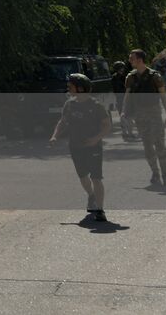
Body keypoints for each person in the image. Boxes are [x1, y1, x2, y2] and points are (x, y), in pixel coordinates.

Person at [51, 73, 111, 222]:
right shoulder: (69, 104)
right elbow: (63, 122)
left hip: (94, 147)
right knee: (83, 176)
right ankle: (91, 195)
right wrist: (55, 136)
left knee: (96, 177)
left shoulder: (96, 106)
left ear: (80, 88)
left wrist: (95, 139)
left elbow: (107, 125)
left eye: (70, 86)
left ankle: (100, 209)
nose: (68, 89)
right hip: (76, 146)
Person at [122, 48, 166, 188]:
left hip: (154, 114)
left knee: (159, 145)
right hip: (140, 116)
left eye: (131, 58)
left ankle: (165, 174)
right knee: (147, 146)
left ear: (139, 60)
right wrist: (124, 113)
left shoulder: (155, 76)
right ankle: (155, 172)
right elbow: (127, 97)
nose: (129, 60)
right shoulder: (131, 77)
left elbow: (163, 97)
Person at [110, 61, 136, 141]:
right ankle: (125, 133)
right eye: (120, 68)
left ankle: (130, 133)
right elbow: (117, 90)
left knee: (129, 117)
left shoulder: (125, 76)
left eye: (122, 68)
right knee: (124, 117)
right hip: (121, 99)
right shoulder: (115, 78)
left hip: (126, 99)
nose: (122, 70)